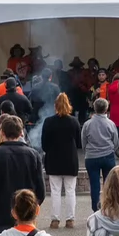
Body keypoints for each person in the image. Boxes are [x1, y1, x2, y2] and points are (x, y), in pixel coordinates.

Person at [41, 93, 82, 228]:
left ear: (55, 106)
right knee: (70, 190)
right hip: (70, 159)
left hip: (53, 159)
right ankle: (70, 219)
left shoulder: (48, 122)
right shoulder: (74, 121)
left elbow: (44, 144)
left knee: (55, 190)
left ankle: (55, 219)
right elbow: (79, 142)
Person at [81, 99, 119, 213]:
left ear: (94, 108)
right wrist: (111, 150)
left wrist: (88, 151)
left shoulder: (87, 124)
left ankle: (96, 209)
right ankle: (108, 207)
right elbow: (116, 142)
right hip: (107, 155)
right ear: (106, 109)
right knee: (109, 184)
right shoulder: (110, 123)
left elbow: (83, 142)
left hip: (91, 157)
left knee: (94, 184)